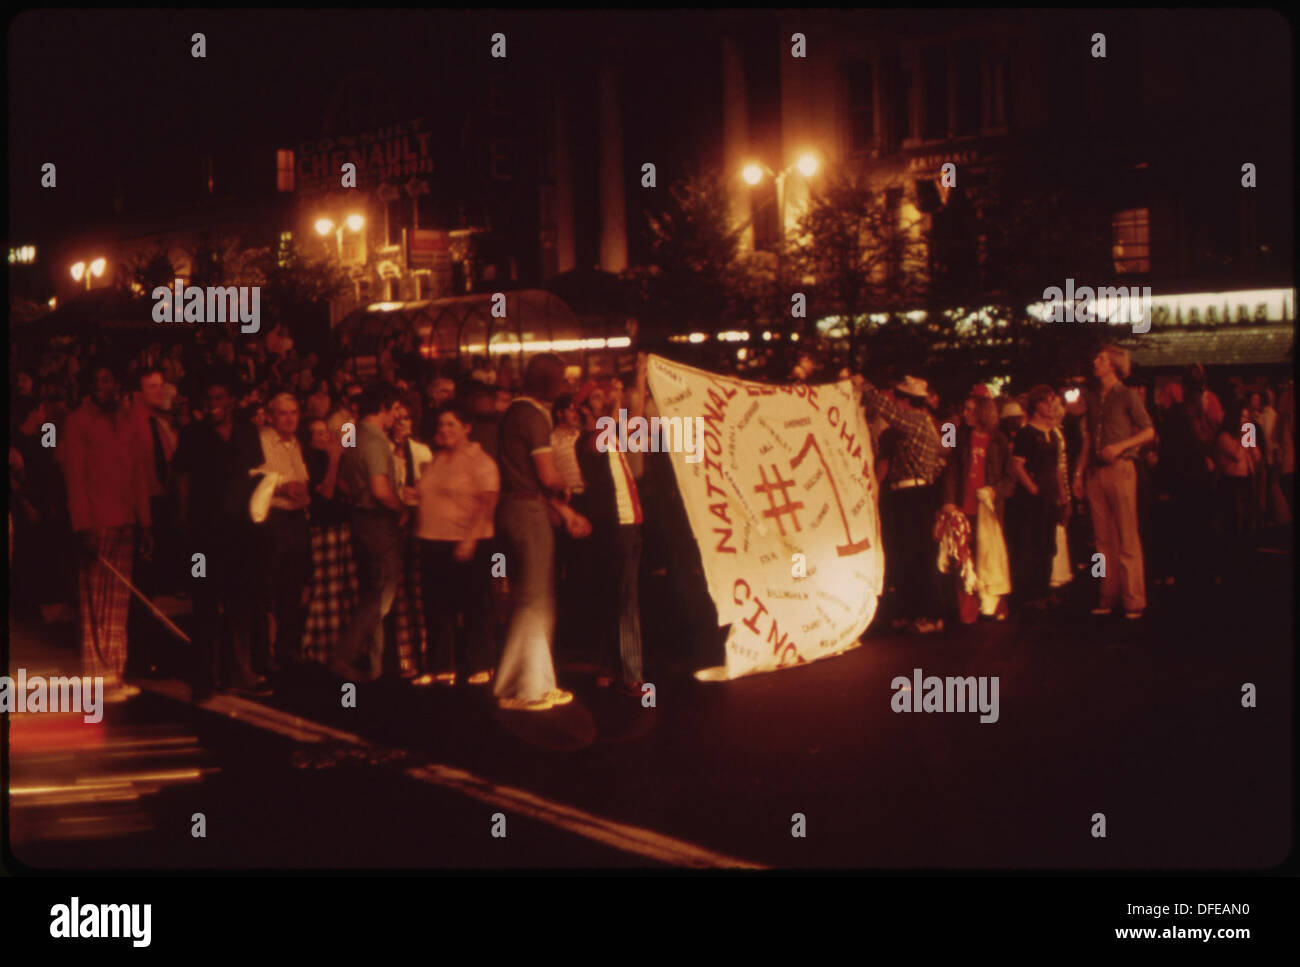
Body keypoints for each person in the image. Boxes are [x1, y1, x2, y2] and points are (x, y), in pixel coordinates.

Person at [494, 352, 590, 710]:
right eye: (563, 379)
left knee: (532, 599)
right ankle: (526, 689)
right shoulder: (534, 415)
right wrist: (565, 489)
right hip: (529, 512)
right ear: (549, 381)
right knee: (536, 600)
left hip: (514, 508)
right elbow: (547, 476)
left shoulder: (513, 413)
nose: (566, 386)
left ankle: (526, 680)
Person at [60, 361, 152, 703]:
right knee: (94, 605)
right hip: (96, 523)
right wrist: (83, 526)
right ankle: (97, 679)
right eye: (98, 378)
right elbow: (74, 478)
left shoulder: (127, 419)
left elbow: (139, 473)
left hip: (125, 521)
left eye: (108, 378)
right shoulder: (77, 421)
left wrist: (146, 522)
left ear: (117, 384)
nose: (104, 384)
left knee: (117, 605)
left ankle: (115, 673)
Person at [173, 375, 268, 699]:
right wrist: (185, 526)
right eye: (208, 397)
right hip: (204, 535)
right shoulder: (192, 435)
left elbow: (257, 478)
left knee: (241, 603)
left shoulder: (246, 432)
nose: (213, 403)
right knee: (205, 605)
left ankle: (239, 672)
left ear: (230, 400)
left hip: (241, 533)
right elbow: (183, 482)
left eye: (219, 396)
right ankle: (204, 676)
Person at [415, 400, 500, 687]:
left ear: (467, 427)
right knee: (436, 608)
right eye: (441, 424)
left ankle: (480, 664)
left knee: (475, 607)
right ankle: (442, 667)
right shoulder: (436, 458)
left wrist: (470, 539)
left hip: (468, 542)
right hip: (432, 541)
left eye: (451, 424)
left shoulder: (481, 461)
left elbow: (488, 504)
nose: (444, 429)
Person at [332, 383, 411, 682]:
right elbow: (380, 489)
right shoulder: (377, 441)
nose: (397, 417)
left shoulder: (352, 434)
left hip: (358, 519)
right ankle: (343, 655)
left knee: (371, 590)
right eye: (395, 411)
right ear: (384, 409)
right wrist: (401, 507)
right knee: (380, 597)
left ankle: (376, 666)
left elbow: (342, 481)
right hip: (378, 522)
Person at [1074, 344, 1155, 620]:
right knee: (1101, 539)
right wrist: (1079, 472)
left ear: (1114, 365)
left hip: (1120, 468)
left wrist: (1120, 447)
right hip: (1096, 472)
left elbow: (1148, 431)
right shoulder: (1093, 398)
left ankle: (1134, 599)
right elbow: (1087, 438)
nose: (1096, 362)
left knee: (1127, 535)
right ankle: (1107, 594)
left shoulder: (1127, 396)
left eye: (1101, 358)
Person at [859, 374, 945, 634]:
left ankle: (930, 613)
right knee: (910, 555)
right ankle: (914, 611)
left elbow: (885, 409)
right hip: (914, 494)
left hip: (913, 495)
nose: (894, 403)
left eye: (898, 399)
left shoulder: (915, 420)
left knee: (919, 556)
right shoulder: (928, 423)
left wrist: (863, 384)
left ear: (907, 401)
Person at [576, 387, 646, 694]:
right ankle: (632, 674)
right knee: (624, 600)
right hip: (617, 524)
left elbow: (635, 424)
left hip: (628, 522)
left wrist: (635, 383)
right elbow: (618, 424)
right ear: (582, 410)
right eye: (594, 399)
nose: (601, 401)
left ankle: (607, 667)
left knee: (614, 596)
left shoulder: (607, 435)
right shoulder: (588, 440)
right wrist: (617, 400)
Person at [940, 393, 1014, 621]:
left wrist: (995, 491)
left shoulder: (999, 439)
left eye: (971, 410)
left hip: (988, 509)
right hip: (964, 506)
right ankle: (967, 610)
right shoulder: (960, 436)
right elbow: (949, 469)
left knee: (990, 557)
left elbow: (1009, 478)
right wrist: (949, 501)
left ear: (983, 411)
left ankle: (994, 604)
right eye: (965, 409)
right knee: (963, 558)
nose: (966, 414)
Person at [257, 393, 313, 672]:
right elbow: (254, 477)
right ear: (270, 415)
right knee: (271, 588)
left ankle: (287, 650)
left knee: (292, 588)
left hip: (296, 520)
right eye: (283, 413)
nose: (290, 418)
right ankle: (266, 653)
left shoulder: (296, 442)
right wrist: (282, 488)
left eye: (294, 412)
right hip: (273, 520)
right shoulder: (262, 440)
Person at [300, 417, 358, 665]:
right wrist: (334, 459)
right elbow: (326, 492)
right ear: (311, 439)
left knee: (342, 592)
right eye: (320, 433)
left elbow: (347, 490)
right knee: (326, 591)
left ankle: (341, 646)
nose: (327, 438)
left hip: (342, 528)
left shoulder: (334, 457)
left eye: (328, 432)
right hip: (323, 530)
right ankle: (318, 648)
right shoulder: (312, 459)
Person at [1007, 386, 1063, 611]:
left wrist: (1062, 494)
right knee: (1033, 541)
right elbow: (1017, 465)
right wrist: (1032, 488)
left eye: (1051, 402)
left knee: (1048, 542)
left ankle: (1044, 587)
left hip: (1050, 493)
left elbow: (1057, 467)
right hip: (1033, 495)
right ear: (1036, 406)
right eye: (1045, 402)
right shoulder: (1027, 433)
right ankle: (1030, 592)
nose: (1050, 406)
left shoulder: (1053, 433)